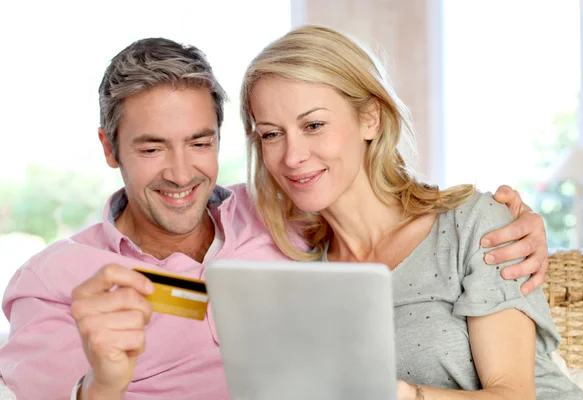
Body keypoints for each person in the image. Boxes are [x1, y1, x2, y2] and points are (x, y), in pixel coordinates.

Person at [0, 37, 547, 400]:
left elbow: (395, 212)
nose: (180, 171)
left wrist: (513, 219)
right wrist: (102, 385)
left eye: (199, 141)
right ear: (109, 148)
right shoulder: (53, 282)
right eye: (150, 149)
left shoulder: (280, 220)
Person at [240, 25, 583, 399]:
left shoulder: (473, 225)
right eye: (271, 134)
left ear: (370, 119)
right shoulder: (302, 271)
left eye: (314, 125)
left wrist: (399, 394)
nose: (293, 156)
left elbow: (513, 395)